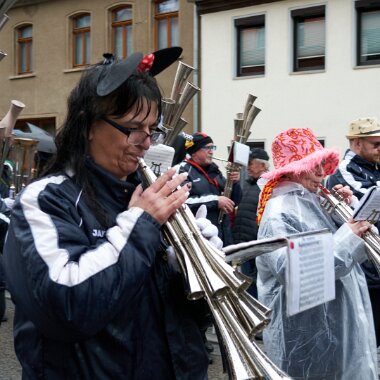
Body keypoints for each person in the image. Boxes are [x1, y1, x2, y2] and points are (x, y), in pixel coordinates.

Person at [2, 48, 211, 379]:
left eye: (152, 129)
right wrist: (140, 226)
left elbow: (189, 321)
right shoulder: (45, 200)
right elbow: (67, 306)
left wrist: (194, 267)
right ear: (88, 127)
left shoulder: (145, 195)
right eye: (132, 128)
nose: (146, 143)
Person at [255, 127, 377, 379]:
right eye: (314, 166)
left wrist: (344, 214)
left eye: (323, 164)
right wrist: (347, 237)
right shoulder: (280, 211)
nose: (322, 173)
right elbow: (297, 272)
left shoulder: (308, 200)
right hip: (303, 336)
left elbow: (327, 244)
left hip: (328, 326)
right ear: (294, 169)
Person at [327, 117, 380, 347]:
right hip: (365, 270)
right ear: (357, 143)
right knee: (367, 340)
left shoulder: (374, 167)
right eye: (375, 144)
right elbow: (369, 201)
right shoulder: (344, 171)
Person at [176, 132, 242, 247]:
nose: (211, 151)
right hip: (199, 238)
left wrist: (235, 183)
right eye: (207, 148)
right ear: (195, 151)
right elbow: (183, 202)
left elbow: (234, 201)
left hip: (223, 237)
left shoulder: (214, 171)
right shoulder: (183, 170)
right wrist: (216, 201)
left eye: (213, 147)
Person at [232, 148, 270, 297]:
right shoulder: (247, 184)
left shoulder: (268, 186)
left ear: (262, 165)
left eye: (251, 163)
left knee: (257, 283)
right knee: (246, 281)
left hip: (256, 244)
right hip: (243, 243)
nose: (248, 167)